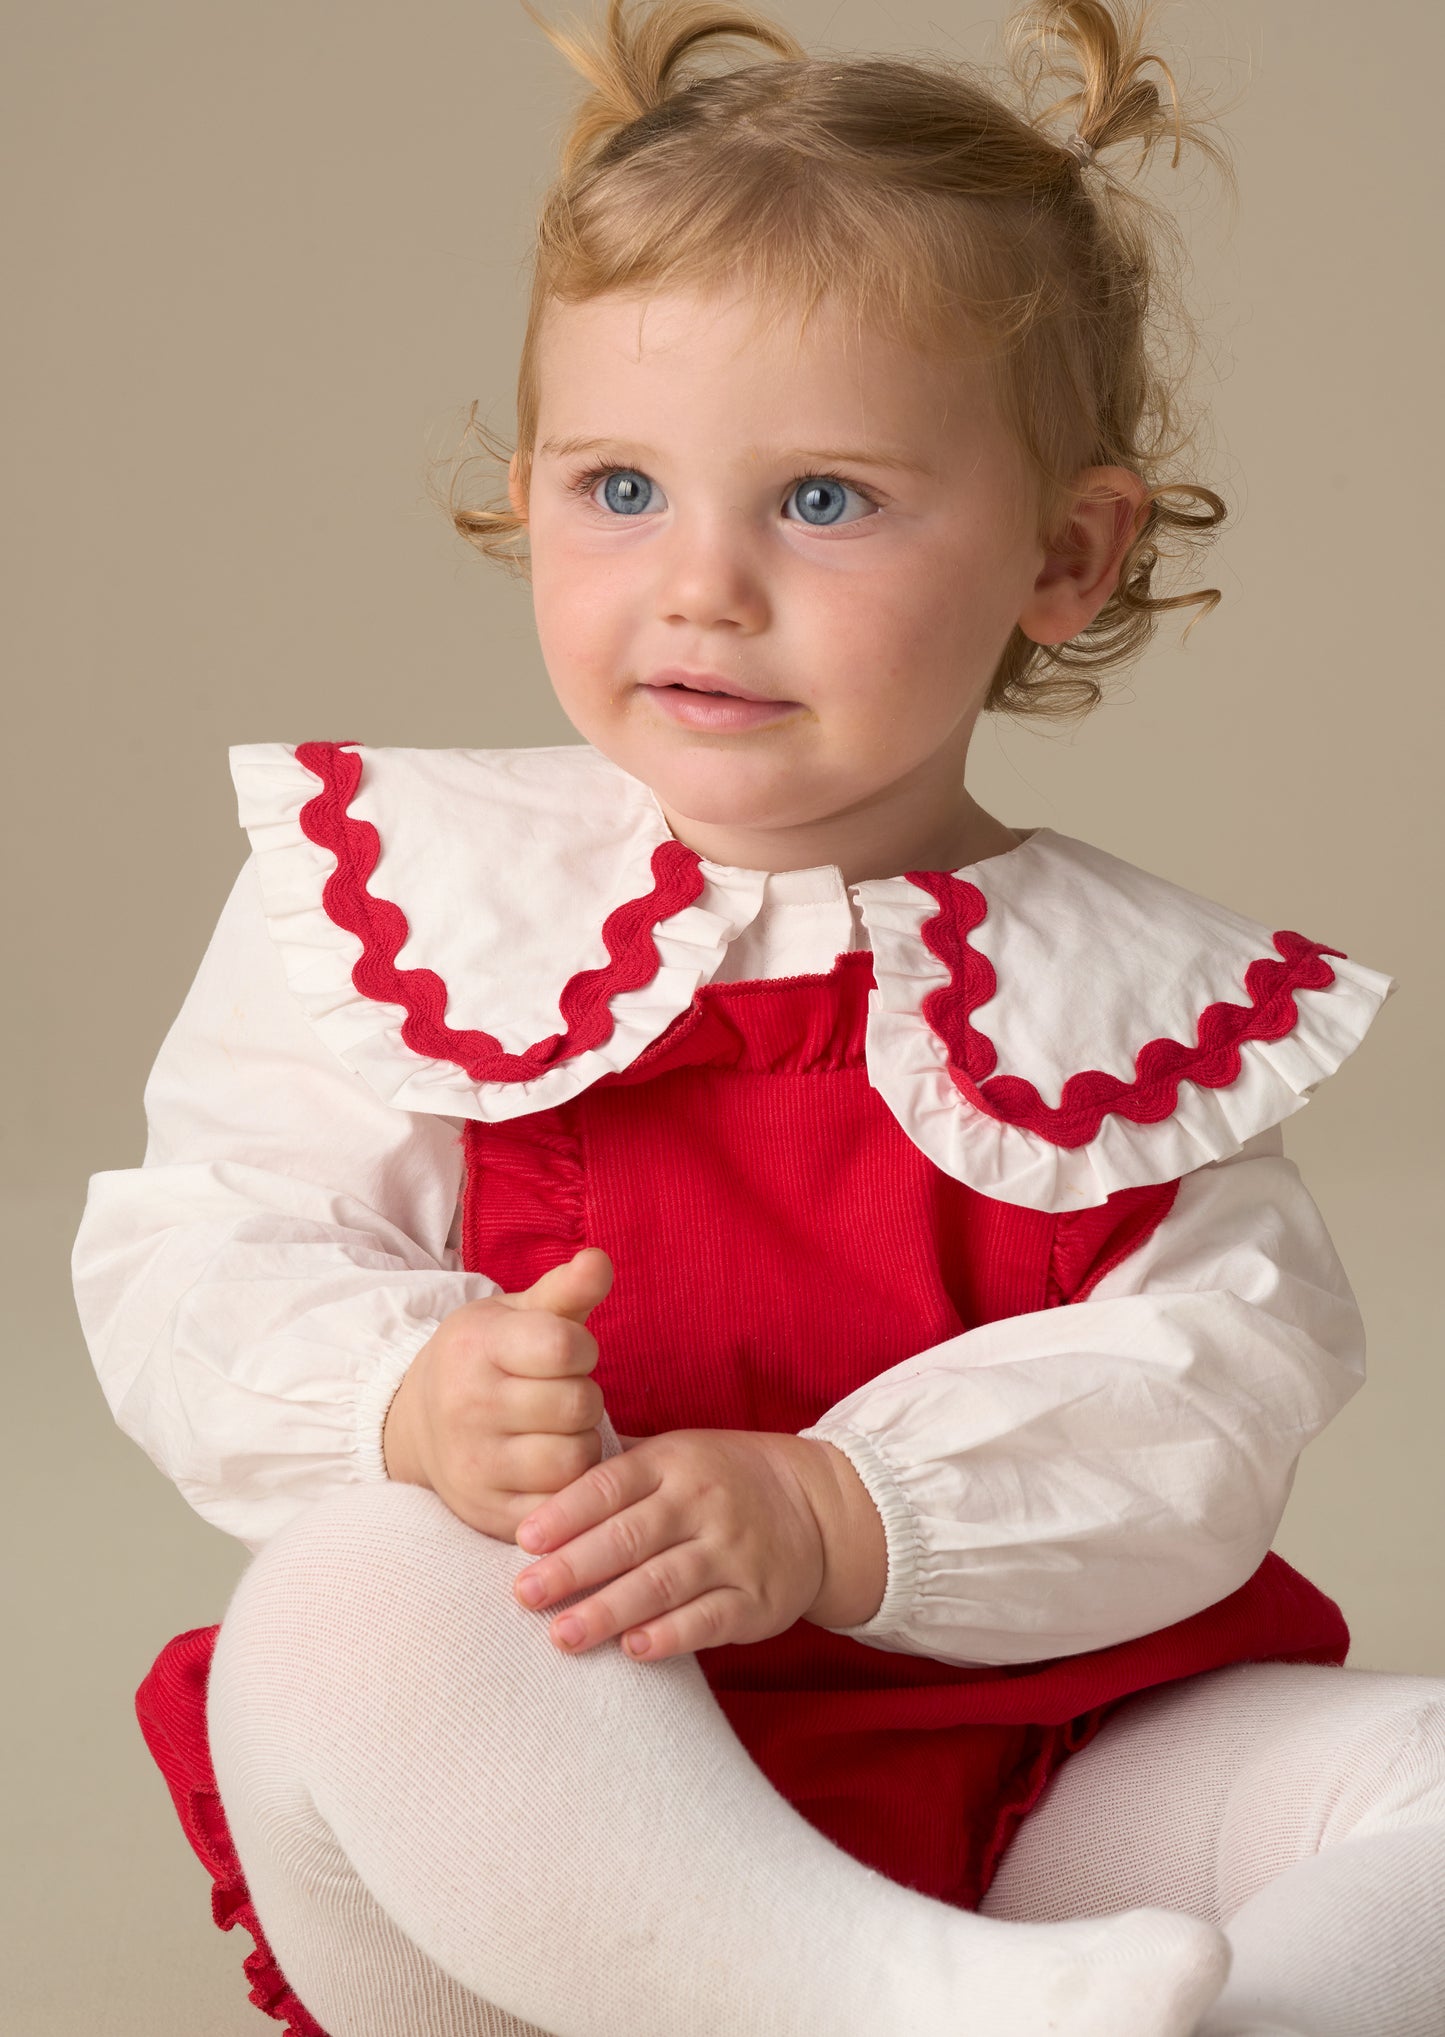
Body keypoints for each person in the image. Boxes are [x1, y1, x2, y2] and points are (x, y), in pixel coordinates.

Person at [70, 2, 1445, 2034]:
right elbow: (195, 1247)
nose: (700, 582)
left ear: (1066, 553)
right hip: (534, 1854)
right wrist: (406, 1396)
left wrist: (841, 1511)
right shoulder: (404, 906)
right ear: (522, 487)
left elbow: (1208, 1397)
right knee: (350, 1596)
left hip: (1029, 1801)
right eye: (621, 485)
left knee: (1421, 1777)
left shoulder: (1131, 1015)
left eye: (820, 500)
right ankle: (869, 2001)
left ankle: (1107, 2012)